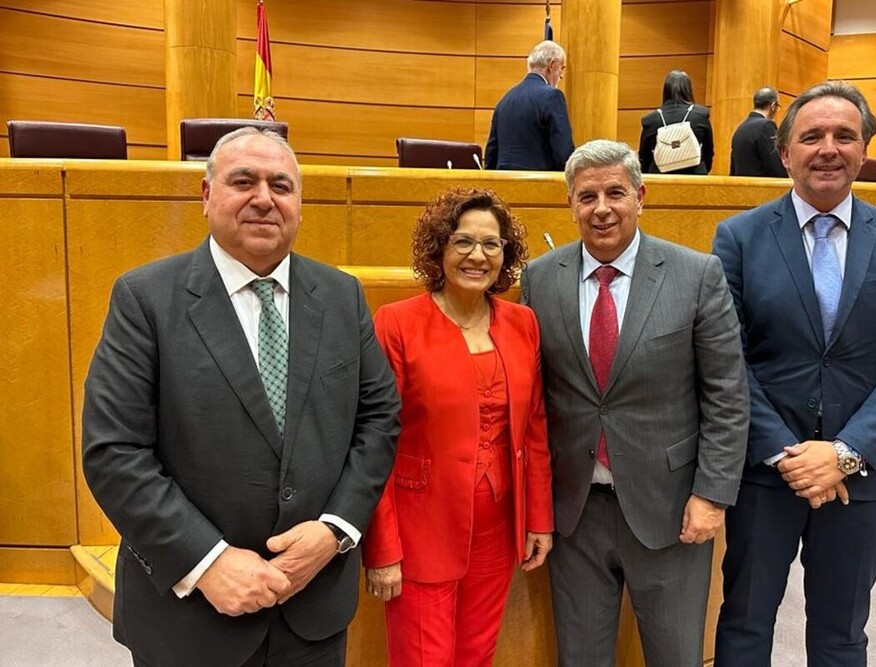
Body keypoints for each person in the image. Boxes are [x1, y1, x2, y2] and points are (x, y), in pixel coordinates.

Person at [81, 128, 401, 667]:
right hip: (193, 618)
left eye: (282, 185)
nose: (263, 198)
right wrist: (207, 562)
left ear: (299, 203)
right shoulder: (144, 299)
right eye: (243, 181)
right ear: (206, 195)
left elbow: (379, 420)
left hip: (313, 608)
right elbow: (114, 452)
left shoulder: (342, 296)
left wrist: (336, 531)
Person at [712, 80, 876, 666]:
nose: (828, 149)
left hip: (861, 478)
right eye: (811, 136)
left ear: (865, 150)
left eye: (845, 135)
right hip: (766, 476)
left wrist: (844, 452)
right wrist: (791, 455)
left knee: (841, 635)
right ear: (785, 153)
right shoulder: (737, 238)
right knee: (743, 625)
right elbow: (727, 360)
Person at [520, 139, 749, 666]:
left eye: (615, 193)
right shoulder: (539, 279)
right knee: (580, 658)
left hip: (671, 509)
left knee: (674, 656)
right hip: (574, 513)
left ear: (641, 197)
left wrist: (712, 494)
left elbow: (727, 395)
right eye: (587, 196)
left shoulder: (696, 275)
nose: (601, 208)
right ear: (571, 204)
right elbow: (535, 399)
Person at [362, 187, 554, 665]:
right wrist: (381, 547)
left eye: (492, 244)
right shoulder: (397, 323)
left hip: (497, 527)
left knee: (477, 655)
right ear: (439, 249)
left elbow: (534, 428)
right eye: (462, 242)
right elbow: (373, 439)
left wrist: (538, 519)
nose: (477, 256)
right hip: (421, 529)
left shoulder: (522, 323)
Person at [484, 40, 575, 171]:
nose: (561, 75)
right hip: (539, 185)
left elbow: (491, 154)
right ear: (551, 65)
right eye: (561, 68)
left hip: (504, 184)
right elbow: (563, 153)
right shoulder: (552, 96)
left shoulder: (504, 100)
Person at [638, 69, 715, 175]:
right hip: (695, 178)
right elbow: (708, 152)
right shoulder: (701, 115)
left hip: (660, 179)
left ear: (666, 90)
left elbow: (644, 158)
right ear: (688, 89)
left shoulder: (651, 120)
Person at [729, 86, 787, 178]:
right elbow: (775, 165)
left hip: (742, 188)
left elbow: (733, 168)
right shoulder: (766, 126)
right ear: (773, 106)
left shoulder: (740, 128)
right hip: (762, 189)